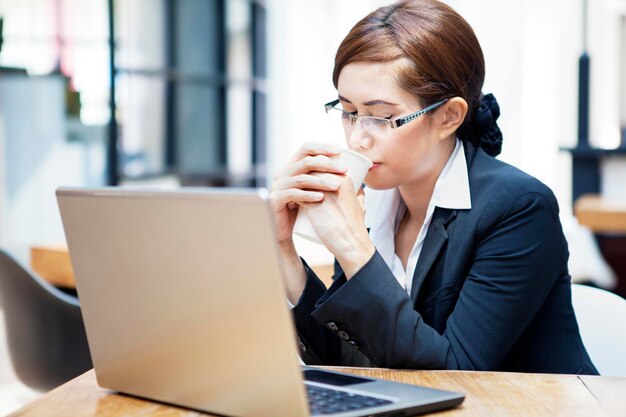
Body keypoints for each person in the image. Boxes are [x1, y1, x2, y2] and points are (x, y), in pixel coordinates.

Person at [269, 0, 598, 374]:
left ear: (448, 117)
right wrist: (283, 251)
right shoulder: (374, 200)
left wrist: (353, 247)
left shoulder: (519, 208)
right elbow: (348, 359)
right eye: (348, 111)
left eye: (379, 117)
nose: (357, 138)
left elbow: (457, 373)